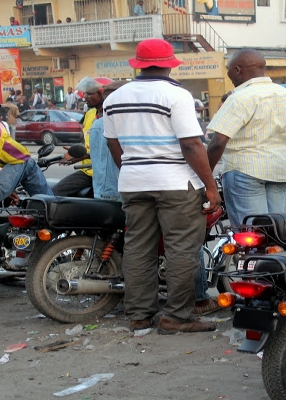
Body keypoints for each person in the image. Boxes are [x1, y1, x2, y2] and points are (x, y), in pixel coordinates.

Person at [103, 38, 221, 334]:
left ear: (139, 65)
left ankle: (140, 316)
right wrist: (210, 186)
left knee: (138, 248)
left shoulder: (114, 98)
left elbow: (112, 143)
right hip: (176, 184)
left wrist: (132, 170)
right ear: (170, 64)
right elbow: (192, 144)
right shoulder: (177, 95)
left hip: (133, 182)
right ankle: (176, 318)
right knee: (181, 249)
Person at [206, 49, 286, 226]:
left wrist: (206, 179)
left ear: (237, 70)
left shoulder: (239, 98)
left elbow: (218, 143)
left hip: (245, 170)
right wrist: (285, 160)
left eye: (228, 70)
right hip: (280, 169)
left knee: (250, 231)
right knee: (274, 230)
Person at [52, 76, 112, 197]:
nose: (85, 97)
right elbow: (85, 141)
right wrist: (76, 152)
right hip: (88, 171)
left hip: (108, 173)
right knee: (53, 194)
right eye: (85, 93)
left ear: (103, 94)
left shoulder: (114, 115)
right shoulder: (89, 114)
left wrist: (83, 156)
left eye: (90, 94)